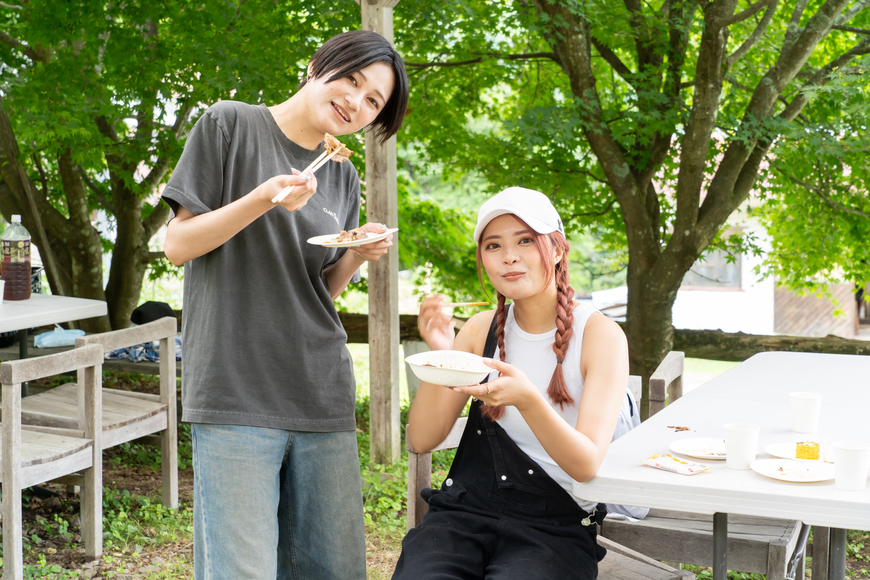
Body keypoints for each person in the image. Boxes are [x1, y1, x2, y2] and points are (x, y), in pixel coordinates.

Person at [161, 30, 409, 580]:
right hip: (234, 387)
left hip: (320, 389)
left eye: (374, 102)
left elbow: (316, 290)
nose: (356, 102)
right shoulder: (230, 124)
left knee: (331, 569)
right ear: (319, 64)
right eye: (352, 79)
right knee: (241, 570)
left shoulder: (340, 173)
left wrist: (356, 255)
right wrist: (260, 200)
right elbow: (177, 246)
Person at [393, 187, 639, 580]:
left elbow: (586, 464)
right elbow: (421, 439)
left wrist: (529, 401)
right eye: (493, 245)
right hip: (463, 516)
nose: (509, 256)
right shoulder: (479, 331)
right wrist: (442, 358)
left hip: (555, 529)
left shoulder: (600, 336)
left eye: (525, 240)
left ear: (557, 249)